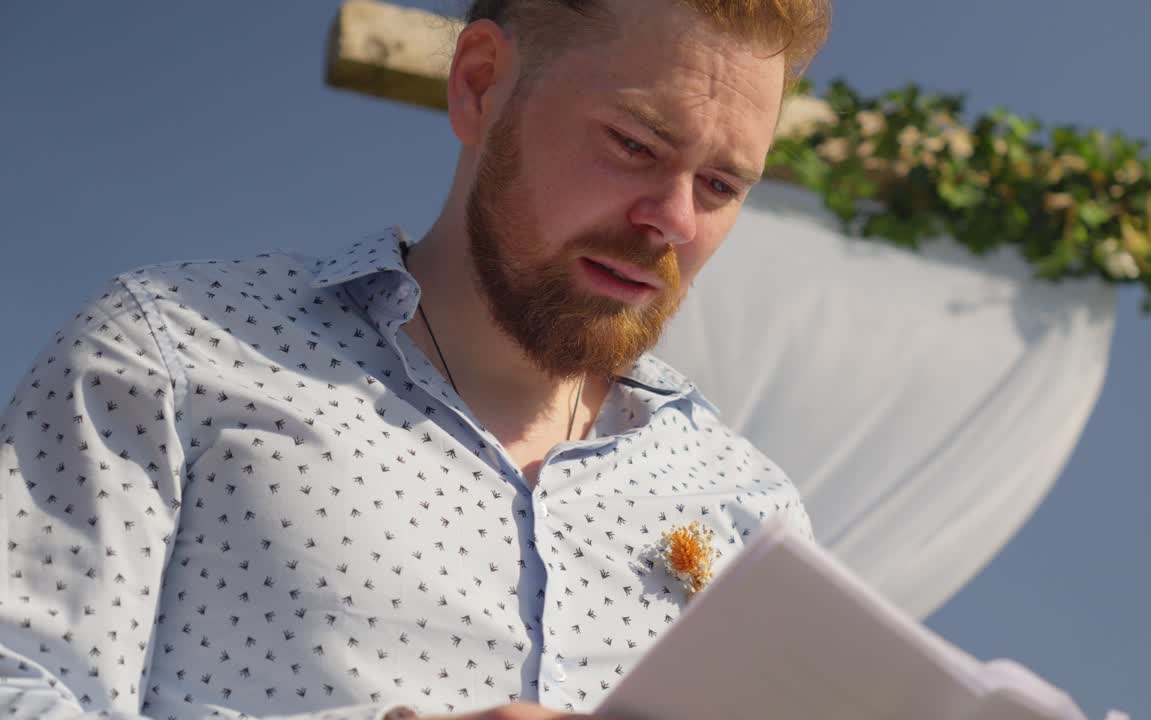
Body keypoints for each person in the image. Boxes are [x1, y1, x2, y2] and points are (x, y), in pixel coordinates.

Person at [0, 0, 830, 718]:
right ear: (479, 85)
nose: (674, 221)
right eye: (634, 145)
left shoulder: (748, 506)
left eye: (721, 186)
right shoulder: (174, 353)